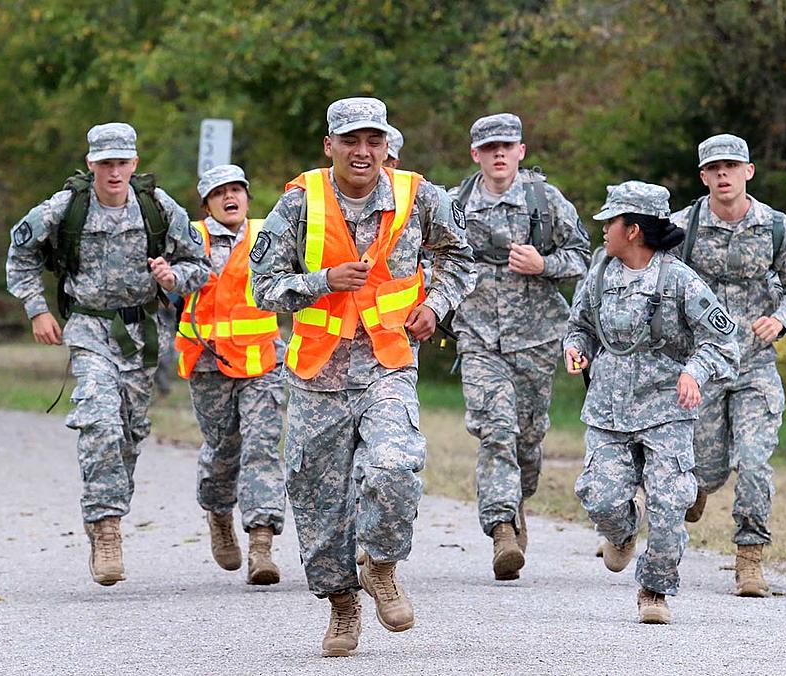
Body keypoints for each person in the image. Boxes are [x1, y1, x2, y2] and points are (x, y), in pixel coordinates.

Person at [249, 97, 474, 658]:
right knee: (318, 503)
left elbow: (460, 259)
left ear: (387, 146)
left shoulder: (420, 197)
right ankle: (342, 605)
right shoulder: (299, 205)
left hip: (387, 362)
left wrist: (438, 305)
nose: (363, 151)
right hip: (317, 374)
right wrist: (322, 279)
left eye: (374, 141)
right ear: (330, 146)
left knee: (395, 466)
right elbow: (263, 286)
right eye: (351, 140)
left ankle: (381, 564)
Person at [6, 122, 209, 586]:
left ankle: (110, 510)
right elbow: (20, 255)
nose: (114, 172)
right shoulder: (66, 207)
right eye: (105, 163)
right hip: (89, 327)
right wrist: (38, 310)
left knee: (129, 434)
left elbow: (201, 264)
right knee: (98, 417)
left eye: (122, 162)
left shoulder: (158, 208)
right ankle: (106, 527)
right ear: (92, 164)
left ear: (134, 164)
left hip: (142, 335)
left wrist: (174, 279)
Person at [565, 181, 739, 623]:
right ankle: (620, 534)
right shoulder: (600, 273)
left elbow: (722, 340)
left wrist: (693, 371)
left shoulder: (679, 280)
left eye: (612, 222)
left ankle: (654, 591)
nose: (603, 229)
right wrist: (576, 347)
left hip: (666, 411)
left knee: (667, 504)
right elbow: (580, 324)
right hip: (608, 409)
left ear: (635, 230)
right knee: (601, 498)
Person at [670, 133, 786, 596]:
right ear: (703, 177)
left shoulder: (778, 228)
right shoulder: (681, 228)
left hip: (754, 366)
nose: (723, 175)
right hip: (704, 366)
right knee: (706, 472)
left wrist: (782, 319)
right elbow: (652, 277)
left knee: (754, 462)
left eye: (731, 166)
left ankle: (749, 559)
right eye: (714, 169)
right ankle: (694, 493)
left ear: (748, 172)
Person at [450, 112, 590, 581]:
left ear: (521, 151)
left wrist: (543, 263)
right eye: (490, 148)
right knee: (495, 429)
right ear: (476, 155)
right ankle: (502, 527)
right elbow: (433, 261)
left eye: (507, 146)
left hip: (536, 336)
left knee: (528, 438)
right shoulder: (455, 205)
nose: (499, 155)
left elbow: (584, 258)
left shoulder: (545, 201)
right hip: (478, 335)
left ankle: (518, 500)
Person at [174, 164, 286, 585]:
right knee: (224, 448)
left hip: (262, 361)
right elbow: (178, 278)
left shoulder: (267, 233)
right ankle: (218, 511)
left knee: (262, 445)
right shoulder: (191, 238)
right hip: (208, 362)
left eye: (237, 189)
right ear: (207, 204)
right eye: (220, 192)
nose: (230, 197)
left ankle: (262, 544)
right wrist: (170, 278)